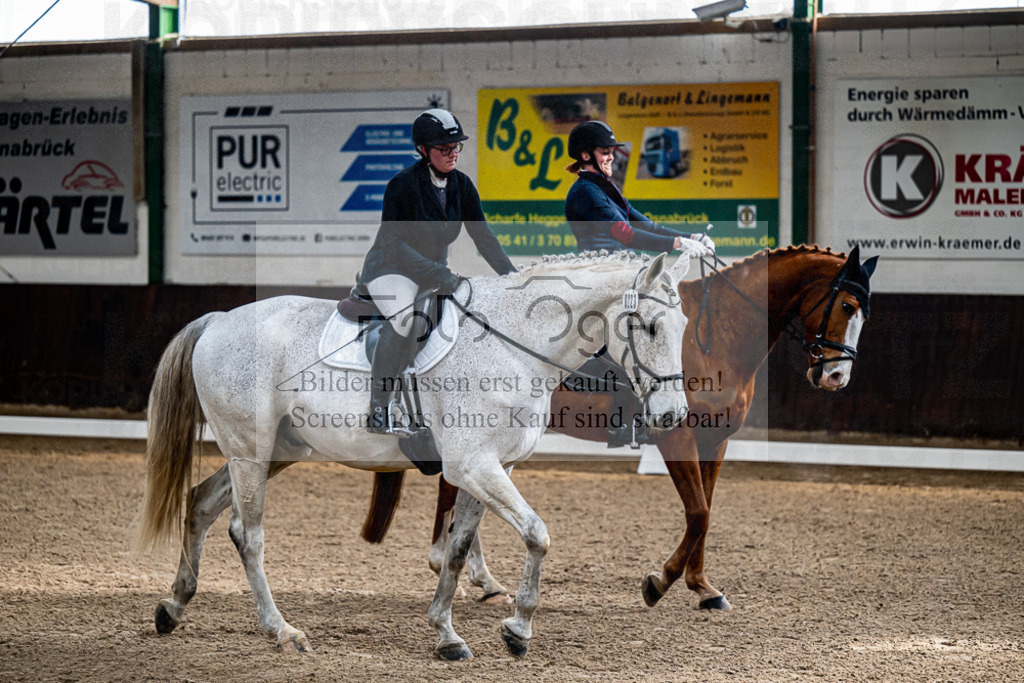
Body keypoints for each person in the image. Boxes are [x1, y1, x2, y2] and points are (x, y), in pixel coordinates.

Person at [358, 108, 516, 434]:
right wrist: (435, 271)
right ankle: (379, 407)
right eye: (444, 148)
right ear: (423, 150)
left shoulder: (462, 185)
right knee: (406, 320)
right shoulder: (402, 185)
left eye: (456, 146)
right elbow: (393, 243)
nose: (453, 153)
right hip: (390, 267)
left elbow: (483, 237)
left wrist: (512, 278)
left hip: (431, 273)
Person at [563, 120, 714, 447]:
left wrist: (689, 237)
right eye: (605, 152)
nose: (611, 157)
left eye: (611, 152)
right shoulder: (585, 192)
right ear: (586, 155)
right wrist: (676, 244)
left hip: (619, 274)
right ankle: (621, 423)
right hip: (599, 277)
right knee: (630, 336)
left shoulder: (606, 189)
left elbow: (646, 224)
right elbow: (626, 234)